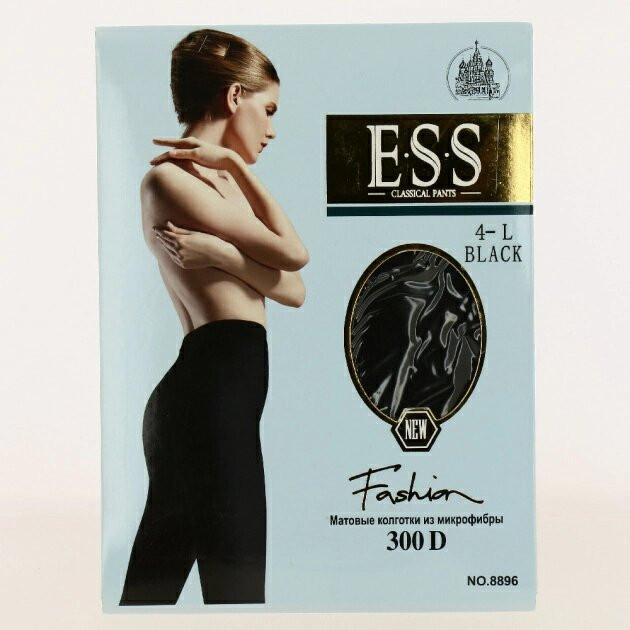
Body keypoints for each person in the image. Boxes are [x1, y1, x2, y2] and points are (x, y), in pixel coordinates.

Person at [119, 28, 308, 606]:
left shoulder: (224, 184)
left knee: (154, 592)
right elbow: (292, 255)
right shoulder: (168, 179)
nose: (272, 130)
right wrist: (241, 254)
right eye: (268, 110)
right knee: (237, 587)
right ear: (233, 96)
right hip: (207, 394)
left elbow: (295, 289)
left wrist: (225, 248)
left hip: (218, 401)